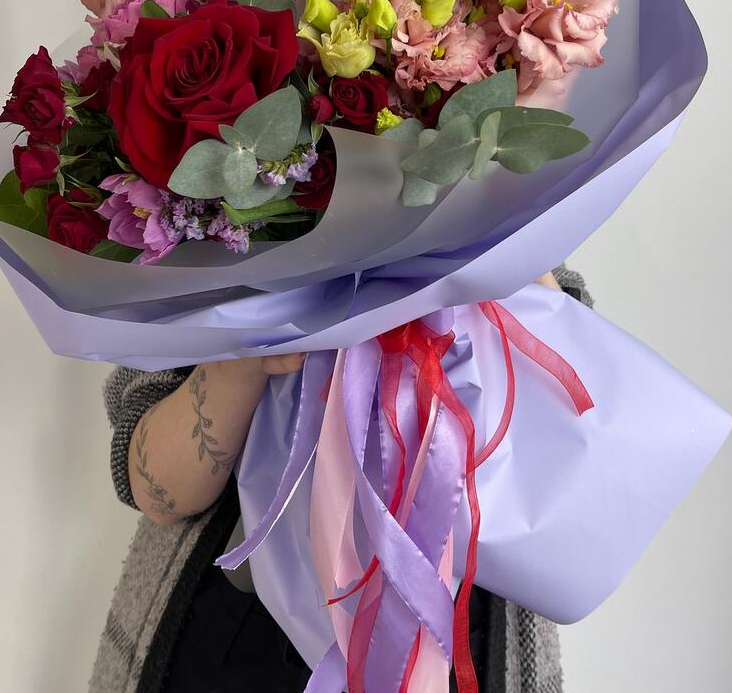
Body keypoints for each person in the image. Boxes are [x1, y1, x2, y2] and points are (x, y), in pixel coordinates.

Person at [89, 266, 593, 693]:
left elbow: (578, 414)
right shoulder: (195, 252)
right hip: (233, 627)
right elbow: (157, 490)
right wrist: (242, 353)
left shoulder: (523, 237)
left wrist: (508, 251)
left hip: (463, 633)